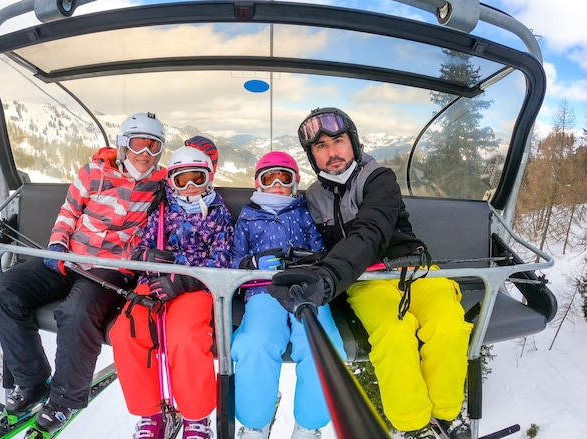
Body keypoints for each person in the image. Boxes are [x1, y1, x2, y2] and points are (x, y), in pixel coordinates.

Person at [267, 107, 474, 439]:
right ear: (312, 156)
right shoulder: (313, 198)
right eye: (320, 147)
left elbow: (371, 231)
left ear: (354, 143)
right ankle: (413, 425)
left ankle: (447, 414)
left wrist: (329, 276)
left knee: (448, 325)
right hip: (365, 281)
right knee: (393, 334)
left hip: (414, 269)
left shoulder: (378, 179)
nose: (332, 152)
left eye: (338, 141)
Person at [0, 112, 168, 433]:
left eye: (154, 147)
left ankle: (65, 399)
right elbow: (69, 211)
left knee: (75, 311)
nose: (145, 154)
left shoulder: (161, 185)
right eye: (139, 144)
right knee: (5, 290)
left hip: (110, 270)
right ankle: (31, 381)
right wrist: (57, 245)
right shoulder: (94, 173)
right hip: (68, 259)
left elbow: (192, 182)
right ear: (124, 145)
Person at [109, 144, 233, 439]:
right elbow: (141, 248)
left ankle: (195, 417)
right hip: (155, 284)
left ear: (209, 179)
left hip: (195, 288)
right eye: (182, 180)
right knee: (126, 332)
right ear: (172, 183)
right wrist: (146, 258)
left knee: (184, 337)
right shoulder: (161, 211)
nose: (190, 187)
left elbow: (223, 258)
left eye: (197, 179)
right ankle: (150, 414)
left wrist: (185, 279)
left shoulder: (218, 214)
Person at [231, 151, 346, 439]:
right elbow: (233, 260)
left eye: (286, 178)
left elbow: (321, 249)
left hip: (304, 287)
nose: (278, 185)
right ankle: (255, 422)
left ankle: (309, 424)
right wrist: (253, 265)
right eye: (270, 178)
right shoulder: (248, 217)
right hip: (262, 289)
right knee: (256, 342)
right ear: (259, 183)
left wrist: (308, 261)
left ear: (295, 182)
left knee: (323, 345)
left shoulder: (303, 212)